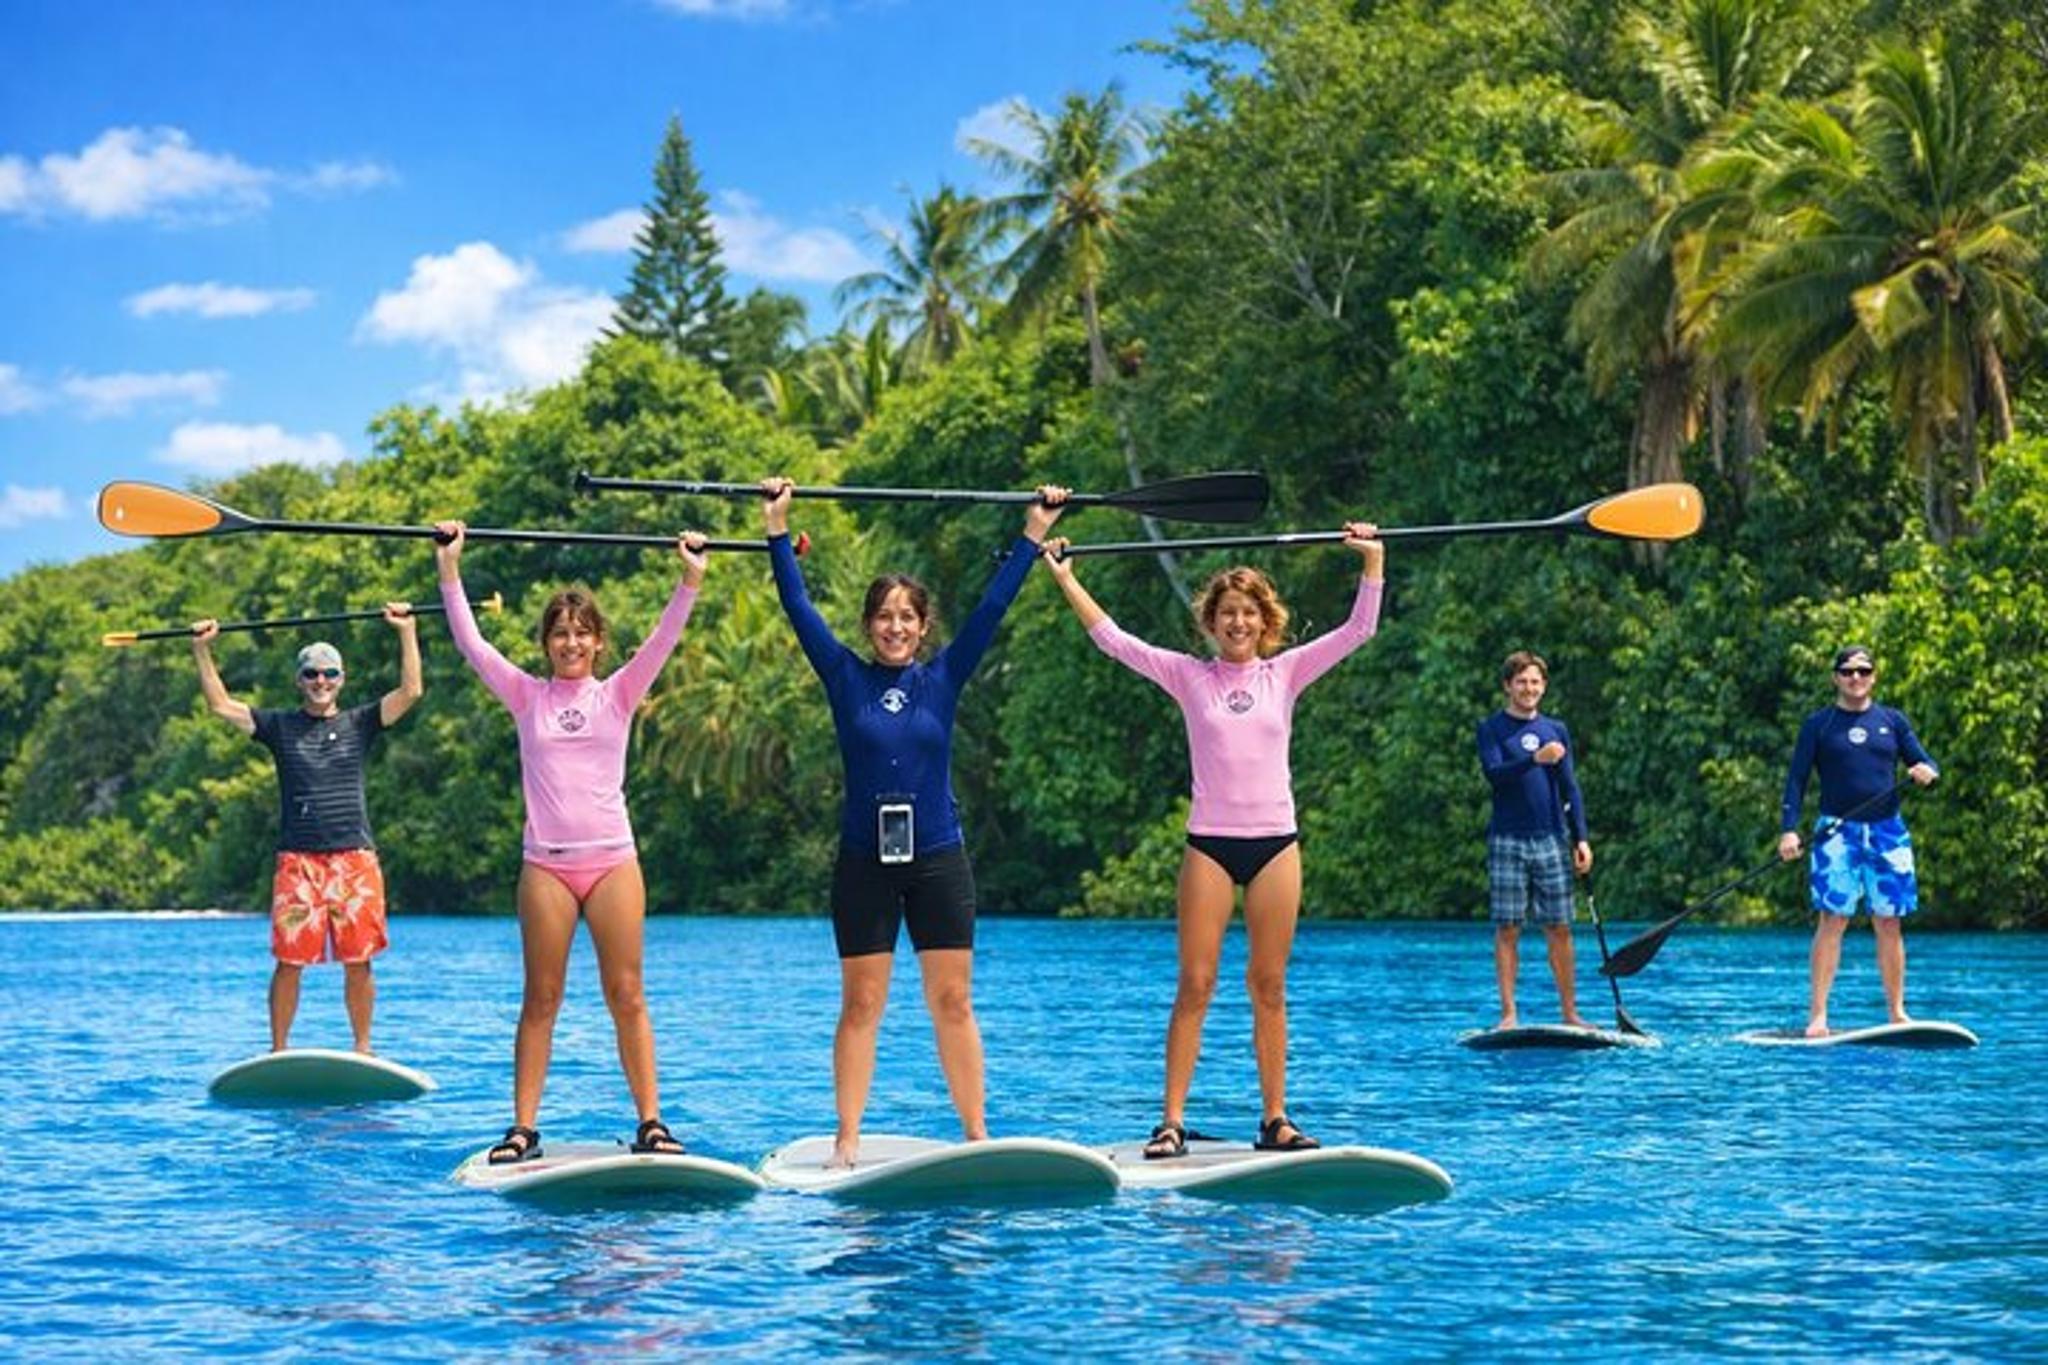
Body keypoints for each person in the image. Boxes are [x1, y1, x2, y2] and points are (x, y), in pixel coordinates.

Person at [1042, 526, 1384, 1158]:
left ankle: (1275, 1119)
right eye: (1227, 613)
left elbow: (1358, 631)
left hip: (1276, 843)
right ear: (1211, 621)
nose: (1238, 622)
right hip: (1210, 846)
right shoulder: (1186, 675)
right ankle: (1171, 1122)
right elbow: (1113, 641)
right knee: (1195, 984)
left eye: (1248, 613)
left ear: (1265, 621)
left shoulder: (1286, 672)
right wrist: (1065, 576)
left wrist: (1373, 559)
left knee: (1269, 984)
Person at [762, 476, 1065, 1169]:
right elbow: (798, 604)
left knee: (952, 998)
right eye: (883, 617)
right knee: (861, 1002)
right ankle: (846, 1139)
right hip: (864, 861)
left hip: (937, 855)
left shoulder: (944, 677)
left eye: (907, 617)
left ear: (923, 626)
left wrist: (1033, 533)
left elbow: (993, 606)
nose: (895, 627)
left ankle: (976, 1132)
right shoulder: (845, 677)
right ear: (868, 626)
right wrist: (778, 530)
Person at [435, 521, 708, 1164]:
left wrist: (690, 578)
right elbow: (471, 642)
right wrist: (450, 568)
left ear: (599, 641)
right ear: (546, 643)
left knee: (627, 994)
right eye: (560, 633)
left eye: (582, 633)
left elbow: (665, 639)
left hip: (613, 861)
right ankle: (523, 1129)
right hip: (546, 869)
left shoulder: (620, 692)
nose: (571, 643)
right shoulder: (525, 696)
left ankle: (651, 1124)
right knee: (542, 997)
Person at [193, 606, 423, 1053]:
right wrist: (202, 650)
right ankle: (278, 1050)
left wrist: (407, 631)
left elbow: (411, 690)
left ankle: (363, 1049)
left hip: (354, 860)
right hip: (298, 862)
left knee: (359, 961)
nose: (321, 682)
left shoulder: (360, 722)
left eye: (330, 674)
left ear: (342, 679)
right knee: (289, 961)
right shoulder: (279, 726)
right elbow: (219, 705)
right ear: (300, 680)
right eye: (312, 674)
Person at [1777, 644, 1938, 1037]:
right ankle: (1818, 1016)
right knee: (1833, 919)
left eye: (1863, 671)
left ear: (1874, 677)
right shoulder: (1819, 725)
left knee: (1889, 922)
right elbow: (1796, 780)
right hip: (1836, 833)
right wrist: (1790, 829)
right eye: (1848, 672)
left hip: (1888, 832)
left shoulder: (1893, 721)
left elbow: (1927, 762)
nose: (1856, 678)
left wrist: (1926, 771)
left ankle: (1897, 1013)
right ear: (1836, 677)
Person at [1477, 650, 1593, 1032]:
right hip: (1507, 839)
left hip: (1551, 839)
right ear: (1508, 686)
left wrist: (1582, 838)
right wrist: (1535, 760)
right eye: (1522, 682)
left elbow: (1569, 787)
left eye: (1535, 682)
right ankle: (1509, 1014)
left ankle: (1570, 1013)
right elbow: (1495, 774)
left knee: (1559, 926)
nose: (1529, 689)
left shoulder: (1556, 730)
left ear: (1543, 687)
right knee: (1508, 927)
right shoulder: (1492, 728)